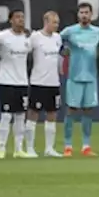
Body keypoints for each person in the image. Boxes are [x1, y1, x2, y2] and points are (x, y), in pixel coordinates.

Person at [60, 2, 99, 157]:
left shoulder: (98, 32)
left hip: (91, 76)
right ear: (78, 15)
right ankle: (68, 146)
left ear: (91, 14)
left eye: (86, 12)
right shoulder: (69, 31)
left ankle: (86, 146)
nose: (84, 15)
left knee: (88, 110)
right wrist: (65, 52)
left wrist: (96, 54)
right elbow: (56, 42)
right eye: (81, 12)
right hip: (74, 76)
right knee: (71, 110)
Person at [0, 9, 32, 159]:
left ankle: (18, 149)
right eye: (17, 17)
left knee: (20, 116)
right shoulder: (2, 37)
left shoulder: (28, 38)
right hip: (6, 82)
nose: (20, 20)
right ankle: (2, 148)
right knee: (5, 116)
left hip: (22, 82)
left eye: (22, 17)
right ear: (10, 20)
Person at [26, 11, 63, 158]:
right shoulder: (35, 37)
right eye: (54, 22)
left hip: (53, 83)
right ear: (46, 22)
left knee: (52, 114)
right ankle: (29, 148)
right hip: (38, 82)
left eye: (57, 22)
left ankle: (49, 148)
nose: (56, 25)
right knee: (33, 114)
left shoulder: (58, 38)